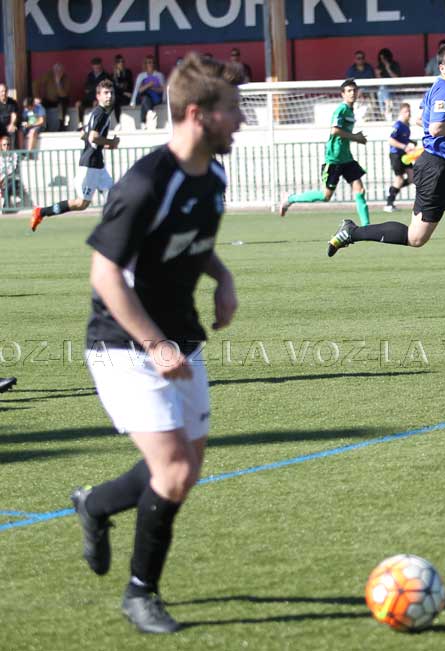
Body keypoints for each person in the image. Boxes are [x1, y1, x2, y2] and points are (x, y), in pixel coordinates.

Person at [70, 52, 242, 634]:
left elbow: (193, 242)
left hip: (181, 337)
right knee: (171, 471)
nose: (240, 120)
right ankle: (140, 593)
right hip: (124, 343)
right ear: (198, 114)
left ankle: (94, 505)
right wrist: (153, 344)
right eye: (232, 109)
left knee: (184, 470)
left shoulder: (213, 177)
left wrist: (223, 277)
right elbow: (105, 274)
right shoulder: (145, 183)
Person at [326, 41, 445, 313]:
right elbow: (436, 128)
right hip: (436, 170)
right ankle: (352, 232)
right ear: (442, 67)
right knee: (416, 238)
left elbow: (420, 119)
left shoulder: (444, 90)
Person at [278, 79, 370, 226]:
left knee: (360, 190)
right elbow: (334, 130)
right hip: (334, 158)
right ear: (343, 94)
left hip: (347, 158)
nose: (352, 93)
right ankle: (290, 199)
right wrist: (355, 137)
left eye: (354, 90)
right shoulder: (341, 109)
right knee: (325, 196)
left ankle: (366, 227)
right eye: (349, 91)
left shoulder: (351, 110)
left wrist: (354, 138)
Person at [30, 79, 119, 231]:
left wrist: (105, 145)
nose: (109, 96)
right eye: (105, 93)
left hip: (98, 164)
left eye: (111, 93)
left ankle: (115, 230)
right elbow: (93, 137)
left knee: (113, 198)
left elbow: (84, 136)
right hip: (90, 165)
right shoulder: (100, 114)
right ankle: (41, 212)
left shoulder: (99, 113)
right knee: (81, 203)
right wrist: (111, 142)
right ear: (98, 96)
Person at [384, 102, 416, 213]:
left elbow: (403, 139)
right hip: (396, 155)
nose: (409, 114)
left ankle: (392, 190)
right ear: (401, 112)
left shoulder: (407, 126)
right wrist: (405, 146)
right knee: (399, 179)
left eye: (409, 111)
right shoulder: (398, 125)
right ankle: (389, 203)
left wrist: (411, 142)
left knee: (412, 178)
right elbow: (391, 140)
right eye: (406, 111)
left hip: (405, 155)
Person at [131, 55, 166, 129]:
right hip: (143, 97)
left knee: (145, 100)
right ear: (145, 64)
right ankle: (150, 113)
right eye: (149, 62)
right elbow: (138, 90)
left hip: (156, 98)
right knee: (145, 98)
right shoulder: (141, 76)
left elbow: (163, 89)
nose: (151, 64)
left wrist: (153, 88)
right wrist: (133, 101)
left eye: (153, 62)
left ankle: (143, 122)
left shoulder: (159, 75)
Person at [76, 57, 111, 130]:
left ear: (101, 66)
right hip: (89, 97)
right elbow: (86, 88)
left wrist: (93, 89)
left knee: (95, 103)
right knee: (78, 104)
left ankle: (94, 125)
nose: (96, 69)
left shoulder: (105, 75)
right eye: (95, 67)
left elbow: (106, 88)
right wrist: (93, 88)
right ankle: (80, 124)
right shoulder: (90, 75)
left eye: (98, 67)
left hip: (99, 98)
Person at [33, 62, 71, 130]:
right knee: (38, 107)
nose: (58, 72)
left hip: (61, 100)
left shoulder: (66, 78)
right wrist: (37, 96)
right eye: (56, 70)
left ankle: (61, 126)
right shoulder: (48, 75)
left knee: (62, 105)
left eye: (60, 71)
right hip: (48, 99)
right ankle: (41, 127)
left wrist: (58, 82)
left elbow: (63, 94)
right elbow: (35, 84)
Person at [375, 48, 401, 120]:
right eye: (381, 59)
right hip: (384, 89)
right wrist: (378, 74)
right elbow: (379, 82)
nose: (382, 60)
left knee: (382, 90)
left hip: (394, 87)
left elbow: (396, 79)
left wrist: (388, 68)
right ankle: (386, 108)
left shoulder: (395, 65)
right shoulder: (379, 67)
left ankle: (383, 112)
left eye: (384, 58)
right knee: (381, 90)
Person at [112, 54, 134, 126]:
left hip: (127, 96)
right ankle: (118, 123)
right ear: (116, 64)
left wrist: (128, 93)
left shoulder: (128, 72)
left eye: (122, 61)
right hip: (119, 96)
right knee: (115, 100)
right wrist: (117, 75)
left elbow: (130, 85)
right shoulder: (113, 75)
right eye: (119, 62)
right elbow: (115, 88)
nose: (121, 63)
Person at [0, 134, 20, 209]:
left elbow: (13, 169)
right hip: (2, 181)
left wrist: (2, 178)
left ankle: (5, 206)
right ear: (1, 146)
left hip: (12, 179)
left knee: (9, 185)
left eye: (8, 144)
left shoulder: (14, 155)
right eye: (4, 145)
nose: (6, 146)